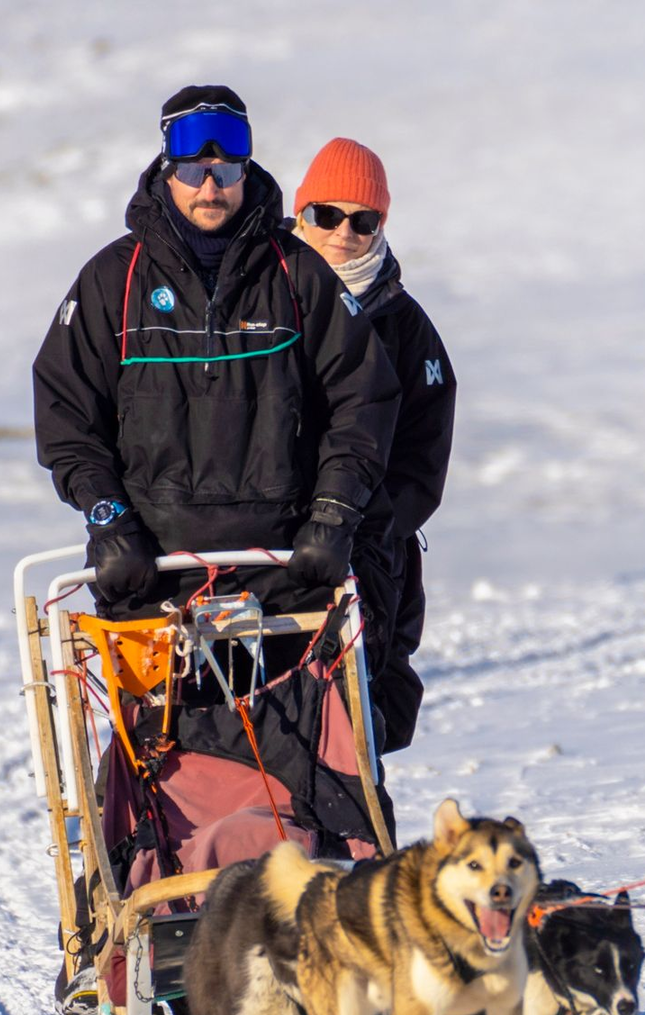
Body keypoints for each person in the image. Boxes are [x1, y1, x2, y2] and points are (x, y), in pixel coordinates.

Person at [33, 86, 402, 623]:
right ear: (167, 169)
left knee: (306, 707)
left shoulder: (299, 274)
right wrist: (110, 521)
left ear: (246, 173)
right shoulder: (112, 278)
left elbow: (363, 401)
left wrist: (333, 515)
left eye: (227, 172)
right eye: (194, 171)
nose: (211, 187)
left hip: (286, 571)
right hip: (148, 567)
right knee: (157, 709)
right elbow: (67, 418)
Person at [291, 138, 456, 752]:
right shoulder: (262, 298)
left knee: (361, 716)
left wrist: (369, 528)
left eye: (362, 220)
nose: (343, 233)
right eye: (327, 215)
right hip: (267, 544)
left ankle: (356, 838)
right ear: (301, 213)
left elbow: (425, 453)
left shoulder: (405, 324)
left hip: (369, 551)